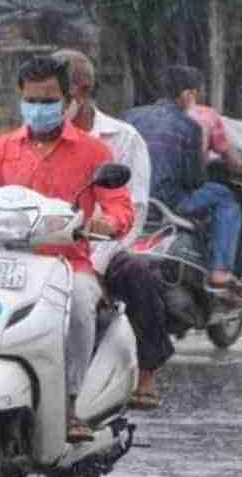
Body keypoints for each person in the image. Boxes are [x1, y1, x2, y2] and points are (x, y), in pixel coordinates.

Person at [0, 55, 133, 442]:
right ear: (21, 99)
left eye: (48, 100)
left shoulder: (93, 152)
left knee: (77, 308)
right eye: (32, 101)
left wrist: (108, 222)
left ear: (67, 99)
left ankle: (72, 405)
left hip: (68, 265)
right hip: (4, 264)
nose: (39, 109)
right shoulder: (5, 148)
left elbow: (118, 204)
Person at [51, 48, 173, 410]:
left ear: (83, 92)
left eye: (60, 97)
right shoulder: (35, 140)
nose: (51, 107)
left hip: (103, 248)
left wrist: (95, 265)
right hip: (49, 245)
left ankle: (147, 371)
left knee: (139, 275)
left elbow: (131, 208)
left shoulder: (123, 139)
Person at [124, 65, 242, 295]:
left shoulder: (131, 116)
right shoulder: (189, 125)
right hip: (169, 202)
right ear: (188, 95)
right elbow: (194, 180)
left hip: (132, 198)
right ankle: (220, 271)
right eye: (197, 94)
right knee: (225, 198)